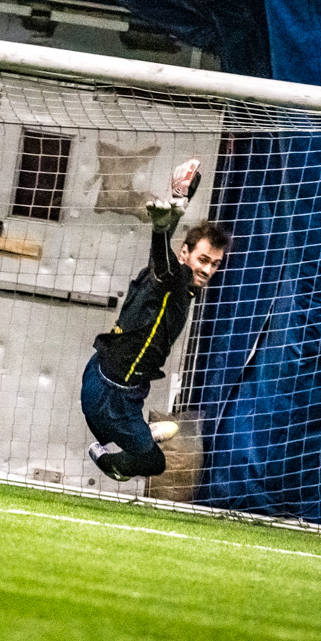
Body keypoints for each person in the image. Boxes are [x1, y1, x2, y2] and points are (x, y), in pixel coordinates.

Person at [84, 158, 230, 482]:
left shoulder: (186, 288)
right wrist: (161, 230)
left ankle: (136, 434)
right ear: (185, 254)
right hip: (110, 390)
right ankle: (115, 453)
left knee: (144, 450)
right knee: (153, 463)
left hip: (121, 384)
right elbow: (163, 268)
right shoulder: (174, 278)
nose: (207, 270)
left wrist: (180, 202)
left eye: (215, 264)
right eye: (203, 260)